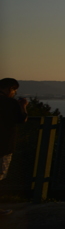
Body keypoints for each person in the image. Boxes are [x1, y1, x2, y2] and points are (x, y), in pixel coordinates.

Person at [0, 77, 28, 216]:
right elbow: (22, 119)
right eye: (14, 91)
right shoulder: (9, 102)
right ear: (10, 88)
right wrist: (22, 105)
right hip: (3, 146)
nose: (14, 94)